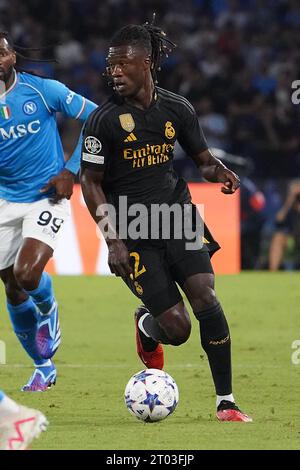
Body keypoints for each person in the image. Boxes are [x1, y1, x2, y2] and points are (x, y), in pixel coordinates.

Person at [80, 22, 252, 422]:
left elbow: (203, 161)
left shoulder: (178, 108)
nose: (115, 72)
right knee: (177, 329)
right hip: (134, 231)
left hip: (177, 217)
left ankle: (225, 401)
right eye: (111, 66)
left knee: (206, 297)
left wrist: (221, 172)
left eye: (123, 63)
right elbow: (90, 183)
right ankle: (147, 323)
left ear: (149, 63)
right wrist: (113, 241)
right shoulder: (103, 121)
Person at [0, 32, 97, 391]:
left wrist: (71, 170)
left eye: (1, 51)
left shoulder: (43, 90)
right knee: (11, 287)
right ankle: (43, 366)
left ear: (13, 57)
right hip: (4, 200)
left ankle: (49, 306)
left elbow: (97, 119)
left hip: (46, 195)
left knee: (27, 274)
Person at [269, 180, 300, 270]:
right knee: (278, 237)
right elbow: (279, 219)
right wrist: (290, 199)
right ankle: (273, 271)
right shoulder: (289, 204)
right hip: (292, 235)